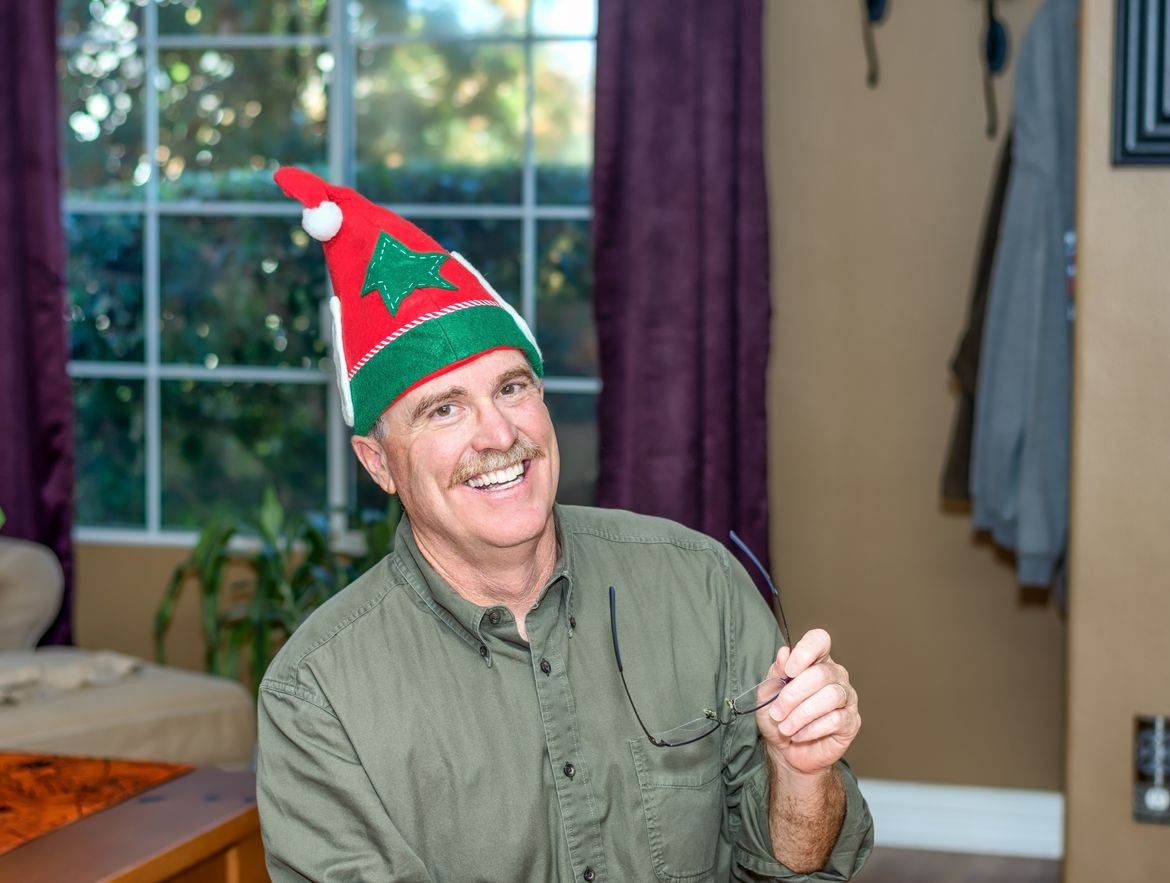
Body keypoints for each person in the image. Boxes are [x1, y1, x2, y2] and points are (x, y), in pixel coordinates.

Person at [256, 167, 874, 882]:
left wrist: (800, 774)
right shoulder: (318, 696)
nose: (497, 433)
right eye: (444, 409)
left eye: (511, 387)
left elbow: (801, 865)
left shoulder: (698, 583)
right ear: (378, 463)